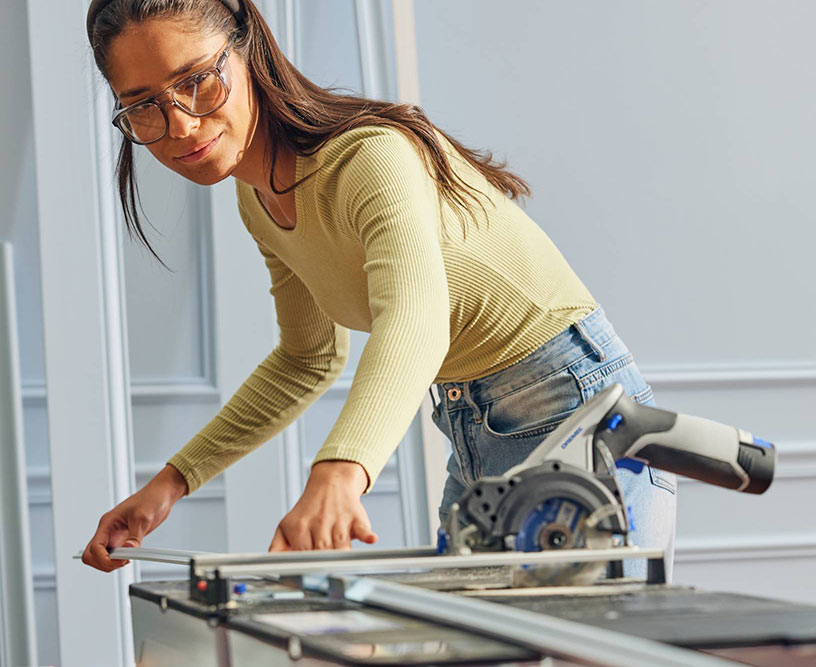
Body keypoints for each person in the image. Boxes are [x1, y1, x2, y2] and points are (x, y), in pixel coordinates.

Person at [80, 0, 676, 576]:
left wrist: (338, 474)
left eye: (198, 81)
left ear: (248, 51)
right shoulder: (258, 200)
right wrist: (169, 485)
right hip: (474, 431)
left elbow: (417, 317)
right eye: (143, 106)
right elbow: (305, 359)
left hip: (577, 413)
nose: (180, 124)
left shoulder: (369, 157)